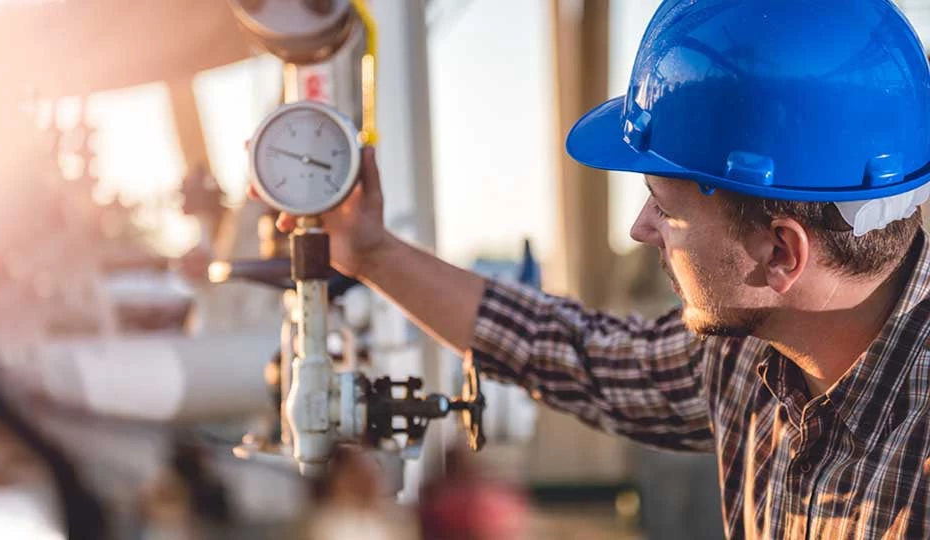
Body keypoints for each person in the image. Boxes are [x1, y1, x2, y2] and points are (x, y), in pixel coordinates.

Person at [251, 0, 930, 537]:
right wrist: (370, 252)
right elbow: (575, 354)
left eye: (664, 207)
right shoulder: (754, 357)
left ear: (781, 252)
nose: (641, 230)